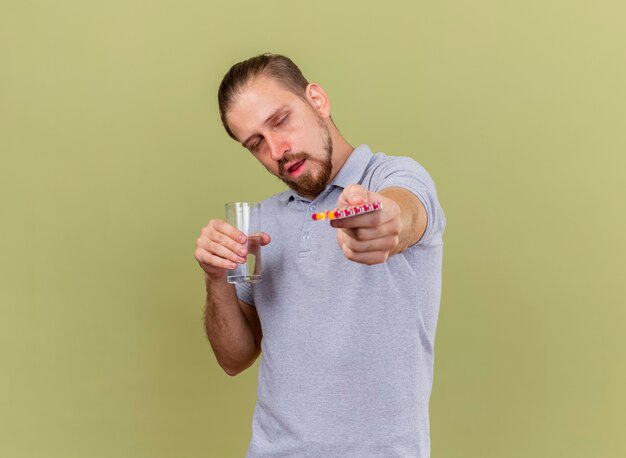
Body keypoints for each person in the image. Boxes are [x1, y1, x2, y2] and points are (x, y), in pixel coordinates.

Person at [195, 53, 446, 458]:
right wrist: (214, 277)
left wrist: (380, 220)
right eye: (256, 143)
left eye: (280, 120)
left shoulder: (392, 177)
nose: (278, 149)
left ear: (317, 100)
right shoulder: (261, 221)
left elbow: (404, 212)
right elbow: (234, 359)